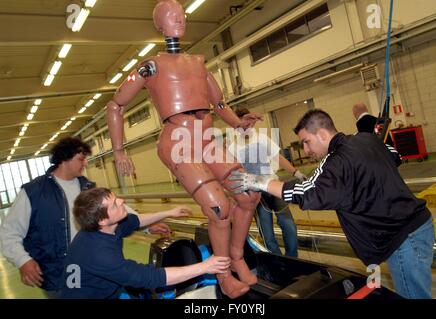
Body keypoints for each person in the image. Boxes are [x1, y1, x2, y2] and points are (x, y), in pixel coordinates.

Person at [106, 0, 262, 298]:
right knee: (219, 208)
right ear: (159, 24)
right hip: (178, 141)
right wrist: (118, 150)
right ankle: (224, 274)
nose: (180, 18)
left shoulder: (198, 63)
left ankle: (238, 256)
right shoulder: (149, 66)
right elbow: (116, 104)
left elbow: (218, 104)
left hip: (206, 140)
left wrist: (239, 123)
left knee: (250, 194)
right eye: (172, 15)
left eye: (182, 14)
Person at [230, 109, 435, 299]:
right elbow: (395, 155)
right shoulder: (366, 139)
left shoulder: (336, 162)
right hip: (419, 226)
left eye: (306, 141)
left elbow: (307, 193)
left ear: (322, 134)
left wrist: (261, 182)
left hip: (403, 239)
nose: (306, 149)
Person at [0, 137, 170, 298]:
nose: (86, 163)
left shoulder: (87, 187)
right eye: (81, 159)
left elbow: (118, 210)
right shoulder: (34, 192)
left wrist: (146, 226)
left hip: (97, 272)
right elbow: (8, 233)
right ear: (65, 158)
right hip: (58, 276)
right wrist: (23, 260)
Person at [61, 188, 230, 299]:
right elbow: (151, 277)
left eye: (116, 198)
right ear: (103, 220)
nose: (121, 201)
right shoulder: (98, 253)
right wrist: (204, 267)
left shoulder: (106, 227)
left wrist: (169, 212)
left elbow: (136, 220)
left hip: (101, 288)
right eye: (114, 204)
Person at [230, 108, 301, 257]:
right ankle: (278, 262)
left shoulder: (262, 139)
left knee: (289, 226)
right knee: (267, 235)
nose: (248, 123)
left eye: (250, 120)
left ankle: (292, 259)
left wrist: (295, 172)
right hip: (255, 194)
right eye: (244, 119)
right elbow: (234, 173)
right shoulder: (232, 148)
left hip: (273, 187)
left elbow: (278, 158)